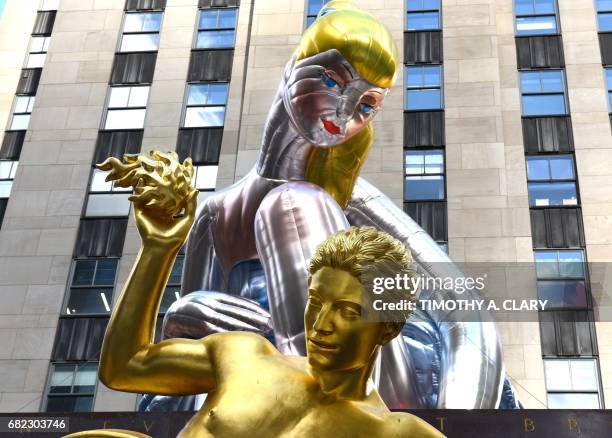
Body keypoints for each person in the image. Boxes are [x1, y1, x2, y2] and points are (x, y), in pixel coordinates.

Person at [67, 151, 443, 438]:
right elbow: (124, 366)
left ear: (388, 327)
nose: (321, 325)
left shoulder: (397, 432)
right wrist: (159, 249)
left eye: (347, 311)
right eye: (315, 303)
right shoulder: (243, 354)